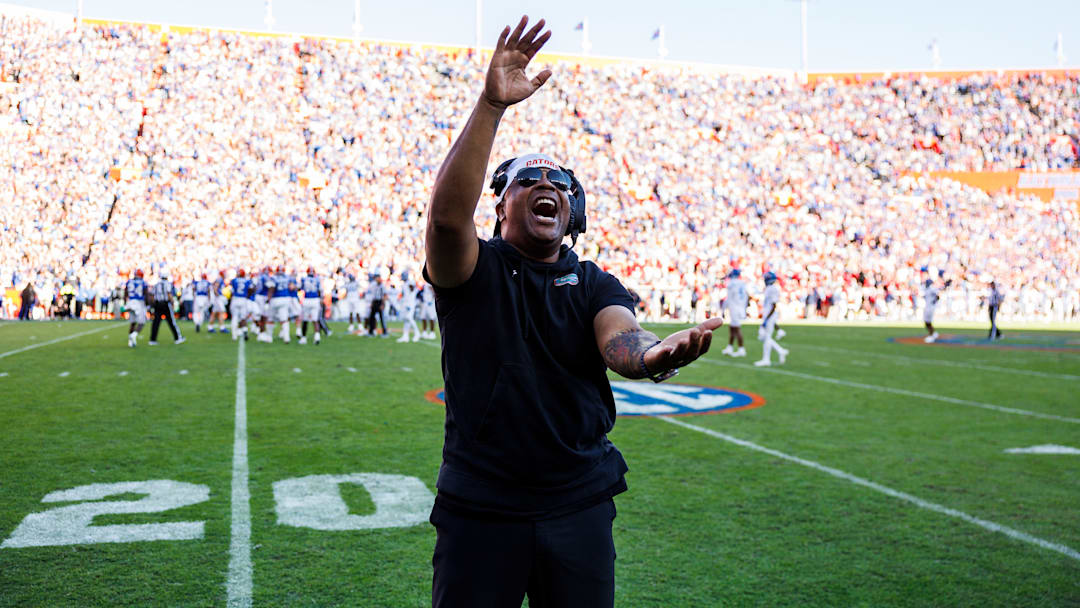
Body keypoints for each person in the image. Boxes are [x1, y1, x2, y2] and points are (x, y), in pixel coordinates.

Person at [422, 16, 722, 608]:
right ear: (502, 205)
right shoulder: (474, 268)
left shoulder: (593, 282)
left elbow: (623, 340)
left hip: (578, 501)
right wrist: (490, 104)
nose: (548, 186)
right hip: (482, 505)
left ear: (572, 212)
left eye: (560, 184)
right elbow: (446, 221)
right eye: (528, 180)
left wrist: (654, 355)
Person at [755, 271, 788, 366]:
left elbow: (773, 305)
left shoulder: (772, 289)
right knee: (763, 337)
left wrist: (766, 319)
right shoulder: (770, 288)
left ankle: (766, 359)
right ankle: (780, 351)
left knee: (766, 337)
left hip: (769, 316)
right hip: (769, 316)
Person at [148, 271, 185, 345]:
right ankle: (178, 338)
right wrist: (172, 302)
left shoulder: (156, 284)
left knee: (156, 322)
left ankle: (152, 339)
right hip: (165, 304)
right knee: (171, 322)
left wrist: (153, 304)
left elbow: (152, 295)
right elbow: (168, 294)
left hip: (158, 304)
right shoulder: (167, 284)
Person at [720, 269, 748, 358]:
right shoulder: (742, 283)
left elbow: (728, 298)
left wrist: (723, 310)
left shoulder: (732, 284)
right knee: (732, 328)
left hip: (735, 308)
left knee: (736, 328)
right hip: (740, 307)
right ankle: (730, 347)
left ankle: (741, 349)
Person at [298, 267, 324, 345]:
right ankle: (317, 336)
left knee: (305, 320)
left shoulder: (304, 279)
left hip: (307, 299)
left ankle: (303, 338)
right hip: (315, 300)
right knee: (315, 320)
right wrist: (320, 299)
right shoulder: (318, 279)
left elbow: (300, 288)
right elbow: (320, 291)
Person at [125, 269, 149, 348]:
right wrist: (148, 304)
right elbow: (146, 294)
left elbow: (126, 293)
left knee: (133, 322)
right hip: (139, 302)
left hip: (131, 302)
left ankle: (130, 342)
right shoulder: (143, 283)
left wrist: (127, 302)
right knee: (142, 322)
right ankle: (134, 335)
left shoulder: (129, 282)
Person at [396, 271, 422, 343]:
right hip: (405, 303)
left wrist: (409, 304)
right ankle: (405, 336)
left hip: (410, 304)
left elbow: (412, 291)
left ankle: (417, 333)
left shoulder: (410, 282)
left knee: (409, 318)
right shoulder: (405, 284)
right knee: (406, 320)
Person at [923, 277, 940, 343]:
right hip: (929, 307)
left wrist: (934, 300)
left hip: (929, 308)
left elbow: (938, 295)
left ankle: (931, 336)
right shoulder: (928, 289)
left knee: (928, 322)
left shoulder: (931, 289)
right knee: (927, 322)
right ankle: (934, 334)